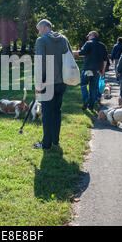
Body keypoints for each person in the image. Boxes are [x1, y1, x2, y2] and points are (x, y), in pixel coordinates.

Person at [33, 19, 73, 150]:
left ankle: (46, 143)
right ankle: (55, 140)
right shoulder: (64, 39)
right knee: (57, 111)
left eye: (39, 29)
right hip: (62, 81)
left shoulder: (41, 41)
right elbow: (70, 58)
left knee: (47, 113)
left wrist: (38, 85)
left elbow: (40, 64)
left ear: (44, 27)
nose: (38, 33)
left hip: (48, 83)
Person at [73, 31, 108, 111]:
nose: (88, 37)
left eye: (89, 35)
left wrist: (71, 52)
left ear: (92, 35)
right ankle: (91, 106)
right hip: (97, 70)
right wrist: (103, 70)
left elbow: (81, 53)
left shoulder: (88, 43)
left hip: (87, 69)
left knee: (83, 85)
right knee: (93, 88)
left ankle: (86, 100)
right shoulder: (102, 45)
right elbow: (105, 60)